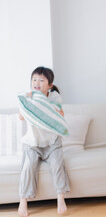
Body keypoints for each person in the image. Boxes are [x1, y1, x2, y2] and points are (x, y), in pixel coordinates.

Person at [18, 67, 69, 217]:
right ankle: (23, 200)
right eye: (34, 80)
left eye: (41, 80)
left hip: (52, 142)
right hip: (33, 143)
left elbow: (59, 113)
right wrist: (28, 106)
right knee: (28, 166)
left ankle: (60, 197)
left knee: (57, 164)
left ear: (50, 85)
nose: (37, 83)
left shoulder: (54, 98)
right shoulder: (28, 97)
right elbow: (21, 116)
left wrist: (47, 107)